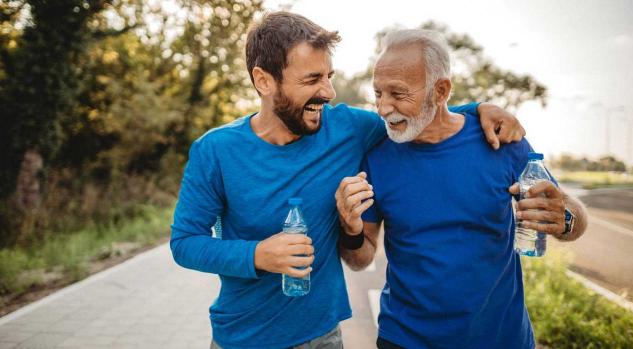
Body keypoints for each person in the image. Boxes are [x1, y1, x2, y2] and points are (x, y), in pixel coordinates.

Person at [171, 12, 526, 349]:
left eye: (329, 76)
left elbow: (422, 116)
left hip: (322, 335)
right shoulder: (215, 151)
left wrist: (478, 109)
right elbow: (185, 243)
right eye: (312, 79)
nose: (328, 92)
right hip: (242, 337)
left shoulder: (349, 129)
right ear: (264, 81)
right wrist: (257, 254)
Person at [335, 29, 588, 349]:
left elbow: (573, 221)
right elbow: (360, 258)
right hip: (405, 340)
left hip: (502, 340)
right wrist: (351, 228)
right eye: (378, 93)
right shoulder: (377, 158)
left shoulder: (502, 141)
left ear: (440, 91)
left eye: (397, 94)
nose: (384, 108)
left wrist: (565, 217)